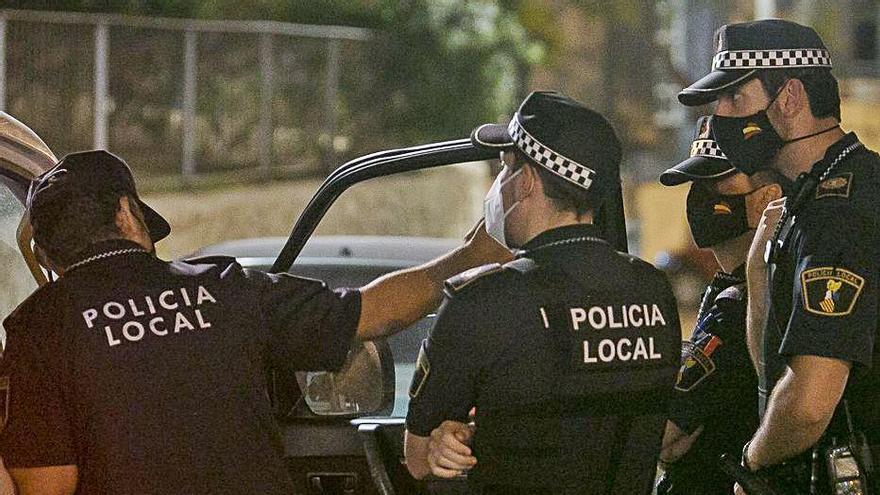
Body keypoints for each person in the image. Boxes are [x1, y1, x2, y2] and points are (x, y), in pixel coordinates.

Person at [0, 150, 512, 495]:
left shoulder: (37, 331)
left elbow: (48, 486)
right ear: (128, 215)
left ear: (45, 255)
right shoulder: (225, 285)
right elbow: (374, 311)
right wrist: (474, 252)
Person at [403, 91, 681, 494]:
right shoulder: (653, 290)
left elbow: (417, 459)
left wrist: (451, 441)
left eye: (505, 169)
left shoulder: (484, 300)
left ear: (527, 181)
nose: (500, 185)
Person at [680, 19, 880, 493]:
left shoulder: (841, 210)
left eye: (734, 99)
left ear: (789, 98)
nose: (720, 118)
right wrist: (757, 267)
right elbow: (771, 372)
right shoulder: (804, 201)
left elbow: (809, 402)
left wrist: (751, 462)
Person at [655, 116, 781, 494]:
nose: (700, 197)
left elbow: (666, 437)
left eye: (717, 182)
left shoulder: (739, 305)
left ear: (766, 200)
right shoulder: (743, 285)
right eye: (697, 184)